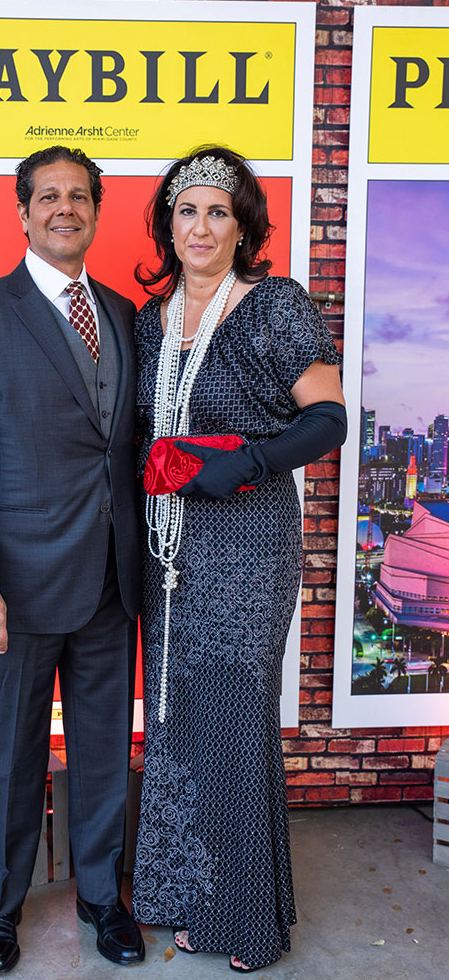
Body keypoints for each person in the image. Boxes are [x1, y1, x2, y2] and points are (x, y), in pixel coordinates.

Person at [0, 146, 144, 975]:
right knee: (13, 753)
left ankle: (100, 897)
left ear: (95, 210)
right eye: (47, 196)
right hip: (10, 592)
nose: (64, 208)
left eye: (78, 196)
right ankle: (0, 909)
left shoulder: (125, 314)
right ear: (22, 213)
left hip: (109, 582)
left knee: (101, 750)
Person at [131, 146, 347, 973]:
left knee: (233, 718)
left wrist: (249, 463)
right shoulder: (152, 321)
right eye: (187, 210)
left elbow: (325, 418)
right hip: (167, 547)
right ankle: (185, 892)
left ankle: (247, 919)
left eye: (219, 211)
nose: (201, 225)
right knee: (180, 720)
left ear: (243, 224)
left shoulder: (274, 306)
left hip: (246, 546)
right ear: (168, 223)